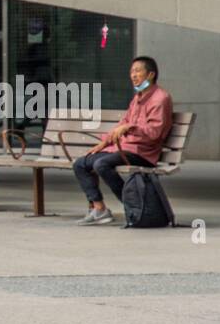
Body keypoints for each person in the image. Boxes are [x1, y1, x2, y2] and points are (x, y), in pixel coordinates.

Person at [72, 56, 173, 225]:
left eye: (138, 71)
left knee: (101, 164)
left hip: (143, 152)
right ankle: (99, 209)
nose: (133, 75)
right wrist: (104, 142)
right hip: (123, 149)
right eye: (132, 71)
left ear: (150, 75)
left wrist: (130, 128)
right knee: (81, 163)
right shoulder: (137, 98)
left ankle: (134, 207)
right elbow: (122, 124)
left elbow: (155, 133)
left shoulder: (160, 98)